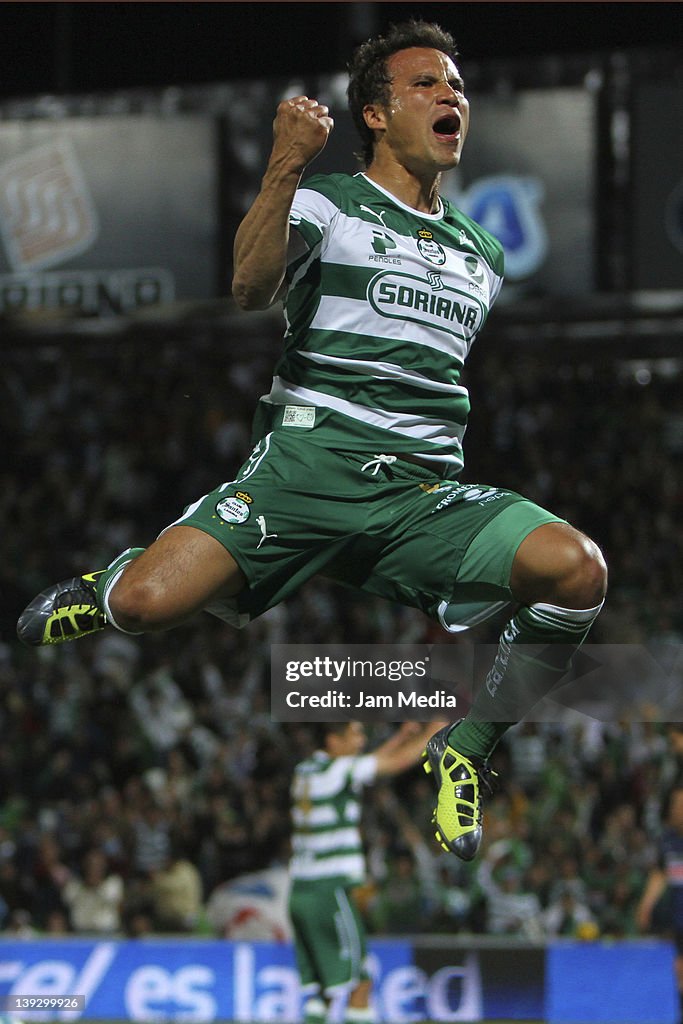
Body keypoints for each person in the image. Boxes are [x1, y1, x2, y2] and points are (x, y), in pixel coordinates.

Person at [17, 19, 607, 862]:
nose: (453, 97)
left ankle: (465, 752)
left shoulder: (481, 253)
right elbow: (249, 289)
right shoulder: (328, 202)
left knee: (577, 569)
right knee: (144, 609)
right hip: (301, 475)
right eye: (427, 85)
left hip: (417, 497)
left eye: (458, 86)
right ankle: (108, 578)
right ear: (374, 113)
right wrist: (288, 160)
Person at [289, 720, 443, 1024]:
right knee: (362, 978)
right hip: (329, 891)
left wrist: (398, 737)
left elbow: (366, 764)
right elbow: (393, 764)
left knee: (323, 987)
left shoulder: (306, 771)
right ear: (333, 740)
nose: (361, 741)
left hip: (300, 893)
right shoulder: (338, 771)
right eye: (356, 734)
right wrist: (431, 734)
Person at [636, 783, 683, 1024]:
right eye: (675, 806)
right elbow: (659, 875)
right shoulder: (668, 841)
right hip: (677, 921)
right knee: (678, 972)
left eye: (681, 806)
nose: (677, 810)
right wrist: (646, 905)